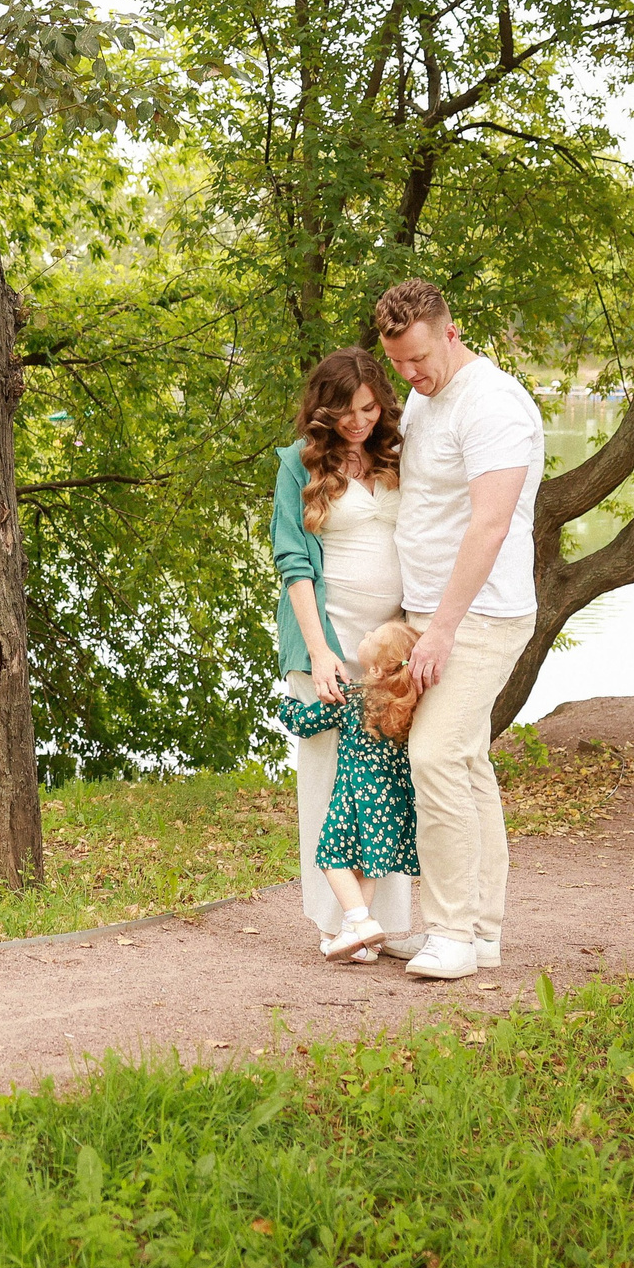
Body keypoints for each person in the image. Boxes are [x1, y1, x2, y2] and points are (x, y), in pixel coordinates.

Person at [375, 279, 545, 982]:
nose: (410, 374)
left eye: (419, 357)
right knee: (467, 762)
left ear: (449, 331)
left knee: (437, 755)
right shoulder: (426, 395)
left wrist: (441, 628)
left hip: (481, 614)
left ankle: (451, 929)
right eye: (398, 363)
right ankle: (479, 932)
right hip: (433, 611)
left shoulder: (493, 402)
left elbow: (490, 521)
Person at [270, 347, 421, 963]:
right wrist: (320, 651)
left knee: (386, 779)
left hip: (388, 648)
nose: (359, 421)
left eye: (368, 407)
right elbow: (293, 563)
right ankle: (338, 922)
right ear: (323, 410)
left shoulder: (397, 452)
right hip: (328, 640)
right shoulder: (296, 464)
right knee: (330, 778)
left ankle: (382, 920)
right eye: (345, 411)